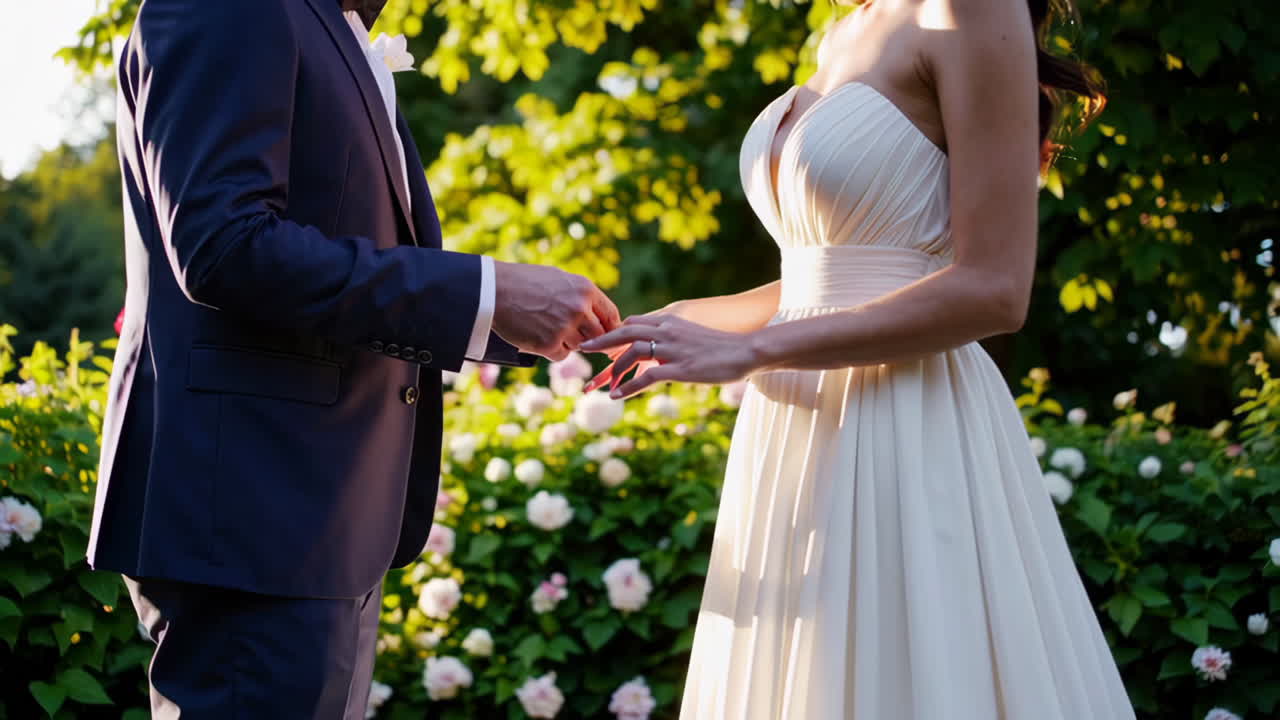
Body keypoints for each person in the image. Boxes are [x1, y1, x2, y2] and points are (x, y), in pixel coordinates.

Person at [582, 0, 1136, 716]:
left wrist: (753, 350)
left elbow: (995, 290)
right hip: (796, 427)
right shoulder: (845, 26)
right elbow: (830, 275)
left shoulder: (969, 8)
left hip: (907, 420)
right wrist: (680, 323)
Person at [86, 0, 618, 717]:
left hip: (315, 524)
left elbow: (341, 241)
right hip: (250, 519)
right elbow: (225, 247)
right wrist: (484, 293)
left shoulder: (325, 23)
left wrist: (513, 321)